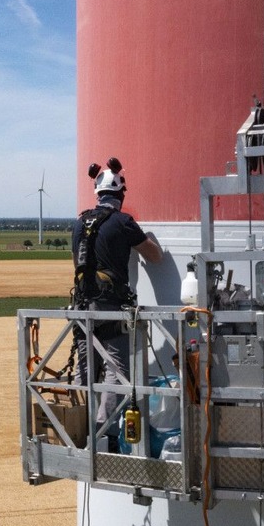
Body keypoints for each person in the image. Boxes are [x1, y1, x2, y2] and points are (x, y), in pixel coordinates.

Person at [70, 157, 162, 451]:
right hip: (111, 308)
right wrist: (146, 238)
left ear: (97, 194)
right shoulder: (123, 223)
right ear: (121, 195)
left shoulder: (79, 223)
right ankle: (104, 435)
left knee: (85, 371)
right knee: (117, 371)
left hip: (82, 307)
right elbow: (155, 256)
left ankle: (75, 429)